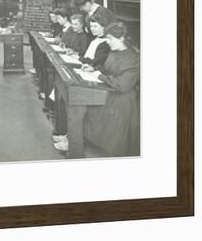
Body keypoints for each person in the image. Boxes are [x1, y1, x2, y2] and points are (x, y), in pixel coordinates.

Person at [55, 22, 140, 157]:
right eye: (107, 38)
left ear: (122, 38)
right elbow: (106, 68)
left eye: (111, 38)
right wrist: (93, 69)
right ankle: (73, 138)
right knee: (78, 104)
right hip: (108, 89)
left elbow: (123, 85)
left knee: (81, 107)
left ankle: (76, 142)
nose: (108, 42)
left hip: (121, 99)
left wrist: (100, 76)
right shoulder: (114, 50)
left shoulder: (133, 58)